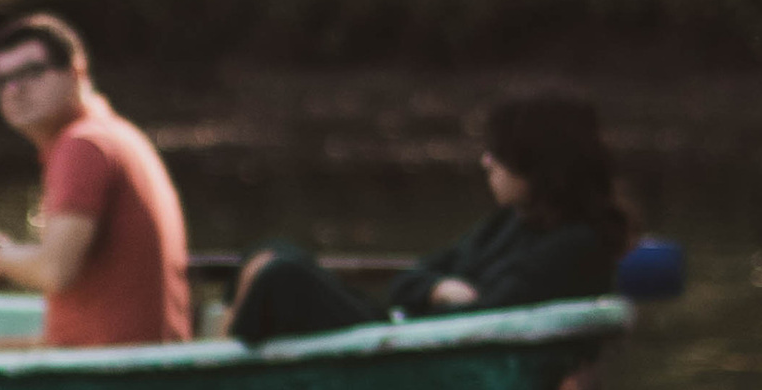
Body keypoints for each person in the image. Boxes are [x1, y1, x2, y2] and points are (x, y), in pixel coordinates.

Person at [229, 92, 632, 349]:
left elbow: (489, 319)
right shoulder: (509, 223)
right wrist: (439, 288)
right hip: (401, 331)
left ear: (536, 165)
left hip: (409, 351)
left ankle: (222, 366)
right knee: (270, 252)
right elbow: (412, 277)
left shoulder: (575, 246)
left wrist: (434, 295)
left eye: (499, 154)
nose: (486, 163)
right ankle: (228, 346)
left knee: (281, 278)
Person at [0, 15, 193, 349]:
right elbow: (63, 264)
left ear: (76, 72)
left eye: (30, 72)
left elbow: (54, 272)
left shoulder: (82, 146)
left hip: (110, 369)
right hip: (127, 356)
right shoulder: (113, 133)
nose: (14, 90)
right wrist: (7, 259)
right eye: (3, 80)